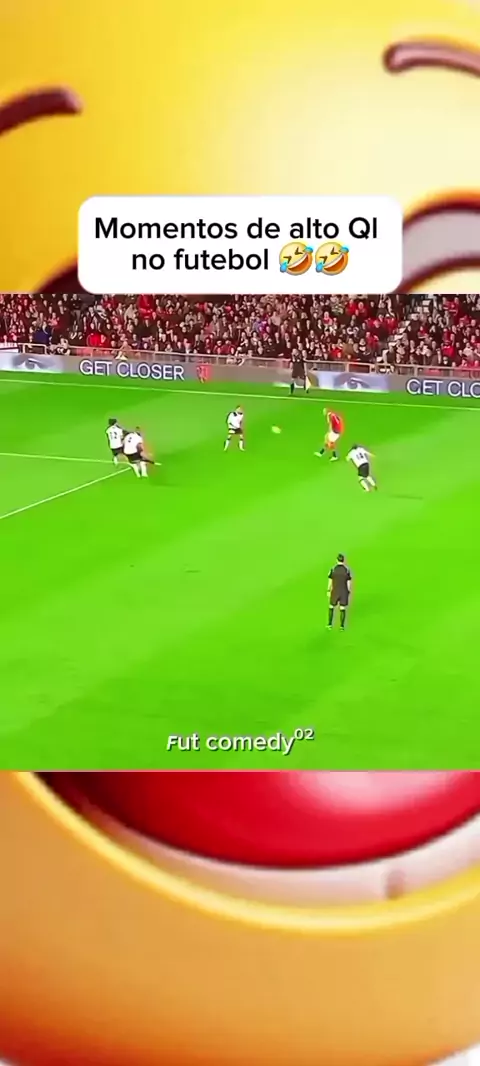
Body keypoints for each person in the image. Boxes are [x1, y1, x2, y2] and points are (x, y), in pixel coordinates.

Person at [327, 553, 352, 630]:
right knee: (342, 608)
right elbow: (348, 582)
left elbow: (330, 581)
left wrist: (328, 590)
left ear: (337, 560)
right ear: (343, 560)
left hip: (335, 591)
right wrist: (348, 591)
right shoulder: (347, 570)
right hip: (343, 591)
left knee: (331, 606)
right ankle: (341, 626)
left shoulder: (333, 569)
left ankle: (329, 624)